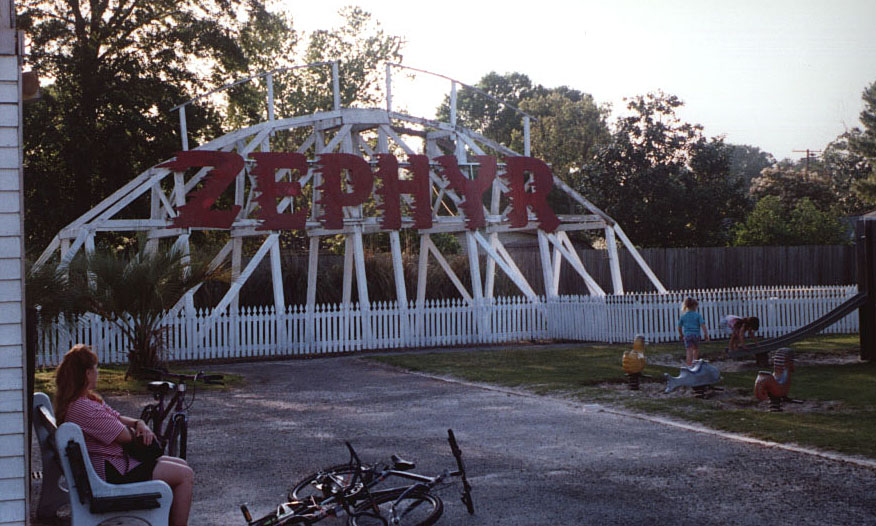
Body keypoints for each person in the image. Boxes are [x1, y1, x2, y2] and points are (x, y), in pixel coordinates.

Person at [55, 344, 194, 526]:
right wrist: (137, 429)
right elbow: (125, 437)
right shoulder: (83, 408)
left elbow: (117, 417)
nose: (98, 373)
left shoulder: (83, 401)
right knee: (185, 475)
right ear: (87, 374)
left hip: (111, 468)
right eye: (95, 369)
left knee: (181, 465)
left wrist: (139, 423)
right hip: (112, 475)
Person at [677, 297, 709, 366]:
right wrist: (706, 334)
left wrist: (681, 334)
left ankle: (689, 365)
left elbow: (679, 327)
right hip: (696, 335)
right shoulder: (697, 315)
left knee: (689, 350)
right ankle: (695, 364)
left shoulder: (683, 316)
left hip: (687, 335)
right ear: (694, 306)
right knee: (696, 349)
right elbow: (703, 325)